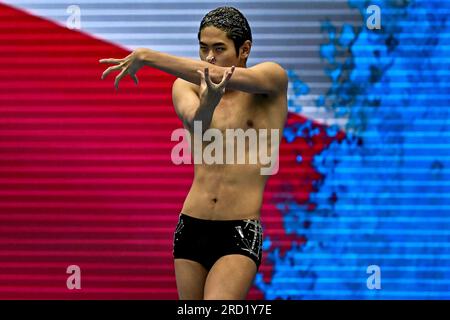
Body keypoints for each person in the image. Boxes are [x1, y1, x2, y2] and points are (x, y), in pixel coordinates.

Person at [100, 6, 288, 300]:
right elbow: (197, 125)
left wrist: (147, 56)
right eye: (203, 49)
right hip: (192, 223)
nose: (209, 57)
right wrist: (209, 102)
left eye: (219, 48)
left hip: (238, 229)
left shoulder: (271, 80)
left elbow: (218, 73)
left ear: (244, 50)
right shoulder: (185, 85)